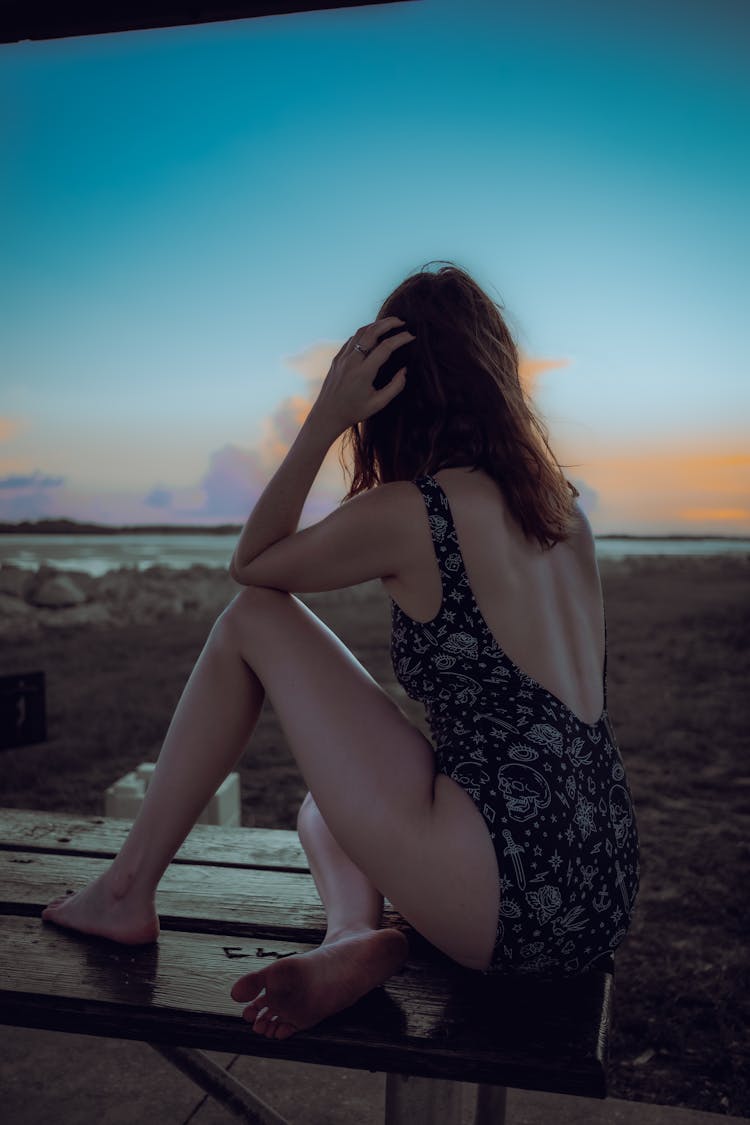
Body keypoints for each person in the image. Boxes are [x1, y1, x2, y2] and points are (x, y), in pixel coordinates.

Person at [41, 262, 640, 1041]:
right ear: (496, 376)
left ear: (392, 391)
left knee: (253, 618)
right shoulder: (565, 511)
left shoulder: (416, 510)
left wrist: (324, 417)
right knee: (324, 809)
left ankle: (126, 889)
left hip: (505, 895)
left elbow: (253, 565)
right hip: (602, 880)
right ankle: (354, 934)